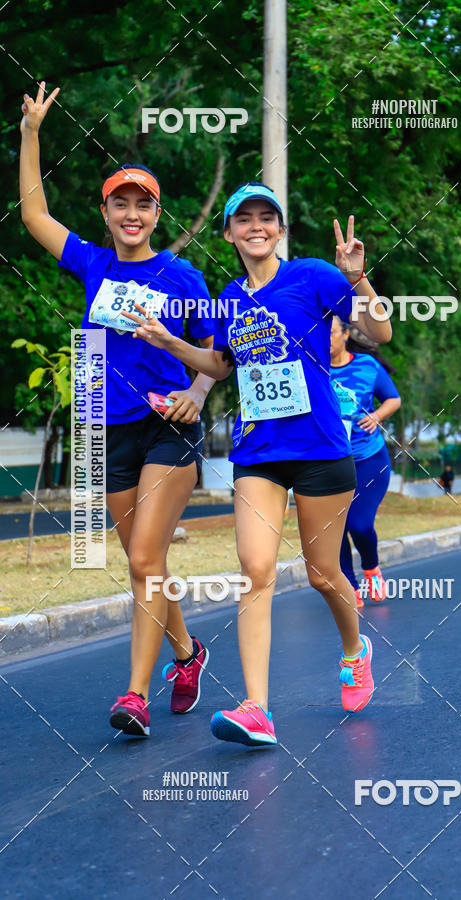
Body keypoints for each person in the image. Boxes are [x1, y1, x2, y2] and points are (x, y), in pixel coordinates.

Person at [125, 181, 392, 747]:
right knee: (255, 570)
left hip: (321, 450)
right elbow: (220, 365)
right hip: (258, 454)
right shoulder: (229, 297)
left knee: (323, 574)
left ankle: (355, 649)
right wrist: (171, 343)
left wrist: (358, 278)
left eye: (266, 217)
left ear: (280, 229)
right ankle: (256, 709)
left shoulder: (314, 275)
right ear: (229, 233)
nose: (256, 226)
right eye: (243, 218)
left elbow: (380, 331)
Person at [19, 82, 214, 738]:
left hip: (168, 429)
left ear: (157, 214)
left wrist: (197, 394)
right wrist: (31, 134)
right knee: (145, 561)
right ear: (105, 213)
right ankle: (187, 654)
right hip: (109, 428)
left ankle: (134, 695)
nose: (132, 213)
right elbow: (33, 215)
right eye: (120, 203)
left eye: (143, 203)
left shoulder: (183, 277)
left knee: (142, 563)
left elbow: (217, 354)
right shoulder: (93, 264)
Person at [329, 317, 401, 606]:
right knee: (334, 527)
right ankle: (349, 585)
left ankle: (371, 568)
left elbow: (393, 398)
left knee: (359, 524)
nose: (326, 338)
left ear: (346, 334)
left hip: (368, 458)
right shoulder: (313, 368)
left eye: (331, 332)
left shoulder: (367, 366)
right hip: (329, 462)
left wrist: (377, 416)